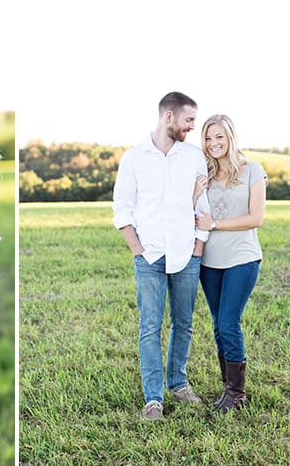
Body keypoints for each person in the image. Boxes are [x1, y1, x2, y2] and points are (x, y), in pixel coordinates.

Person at [112, 91, 210, 420]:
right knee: (149, 328)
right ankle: (153, 398)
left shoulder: (194, 157)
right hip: (149, 258)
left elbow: (202, 205)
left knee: (183, 324)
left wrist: (197, 248)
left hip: (186, 256)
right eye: (188, 121)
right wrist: (138, 251)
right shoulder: (134, 158)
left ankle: (178, 383)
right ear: (169, 117)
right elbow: (122, 210)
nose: (192, 128)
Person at [193, 114, 267, 413]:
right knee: (217, 325)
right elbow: (192, 211)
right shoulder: (204, 175)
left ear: (231, 138)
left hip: (242, 257)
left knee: (228, 322)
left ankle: (237, 395)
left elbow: (256, 218)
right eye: (208, 138)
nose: (213, 143)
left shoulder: (253, 171)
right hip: (210, 261)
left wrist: (214, 225)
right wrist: (196, 194)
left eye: (219, 137)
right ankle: (228, 387)